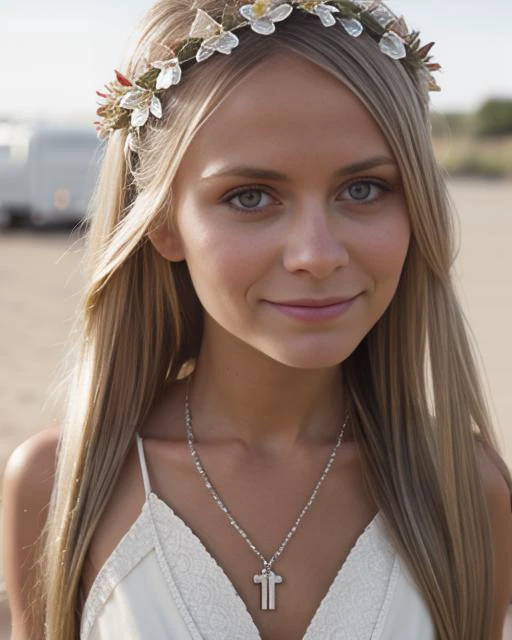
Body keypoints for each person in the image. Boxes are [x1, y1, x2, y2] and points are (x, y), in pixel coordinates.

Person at [2, 1, 511, 638]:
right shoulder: (61, 484)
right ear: (162, 223)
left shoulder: (465, 494)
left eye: (363, 189)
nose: (317, 255)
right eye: (250, 197)